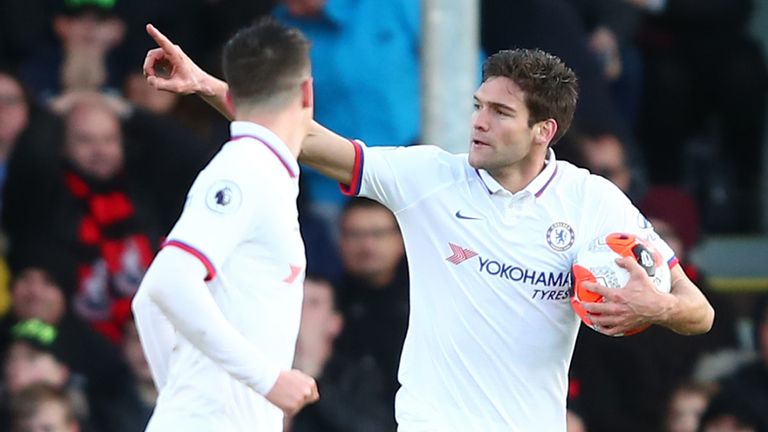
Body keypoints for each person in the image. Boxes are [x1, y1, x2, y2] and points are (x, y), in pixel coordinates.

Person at [143, 27, 714, 430]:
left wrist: (656, 307)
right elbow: (309, 138)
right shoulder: (430, 177)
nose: (478, 122)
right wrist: (208, 87)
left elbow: (700, 311)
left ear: (545, 130)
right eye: (478, 104)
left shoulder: (593, 202)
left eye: (499, 112)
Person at [131, 18, 319, 432]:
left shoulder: (259, 168)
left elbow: (147, 301)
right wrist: (267, 379)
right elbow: (168, 281)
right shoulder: (246, 169)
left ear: (229, 96)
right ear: (308, 91)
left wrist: (178, 400)